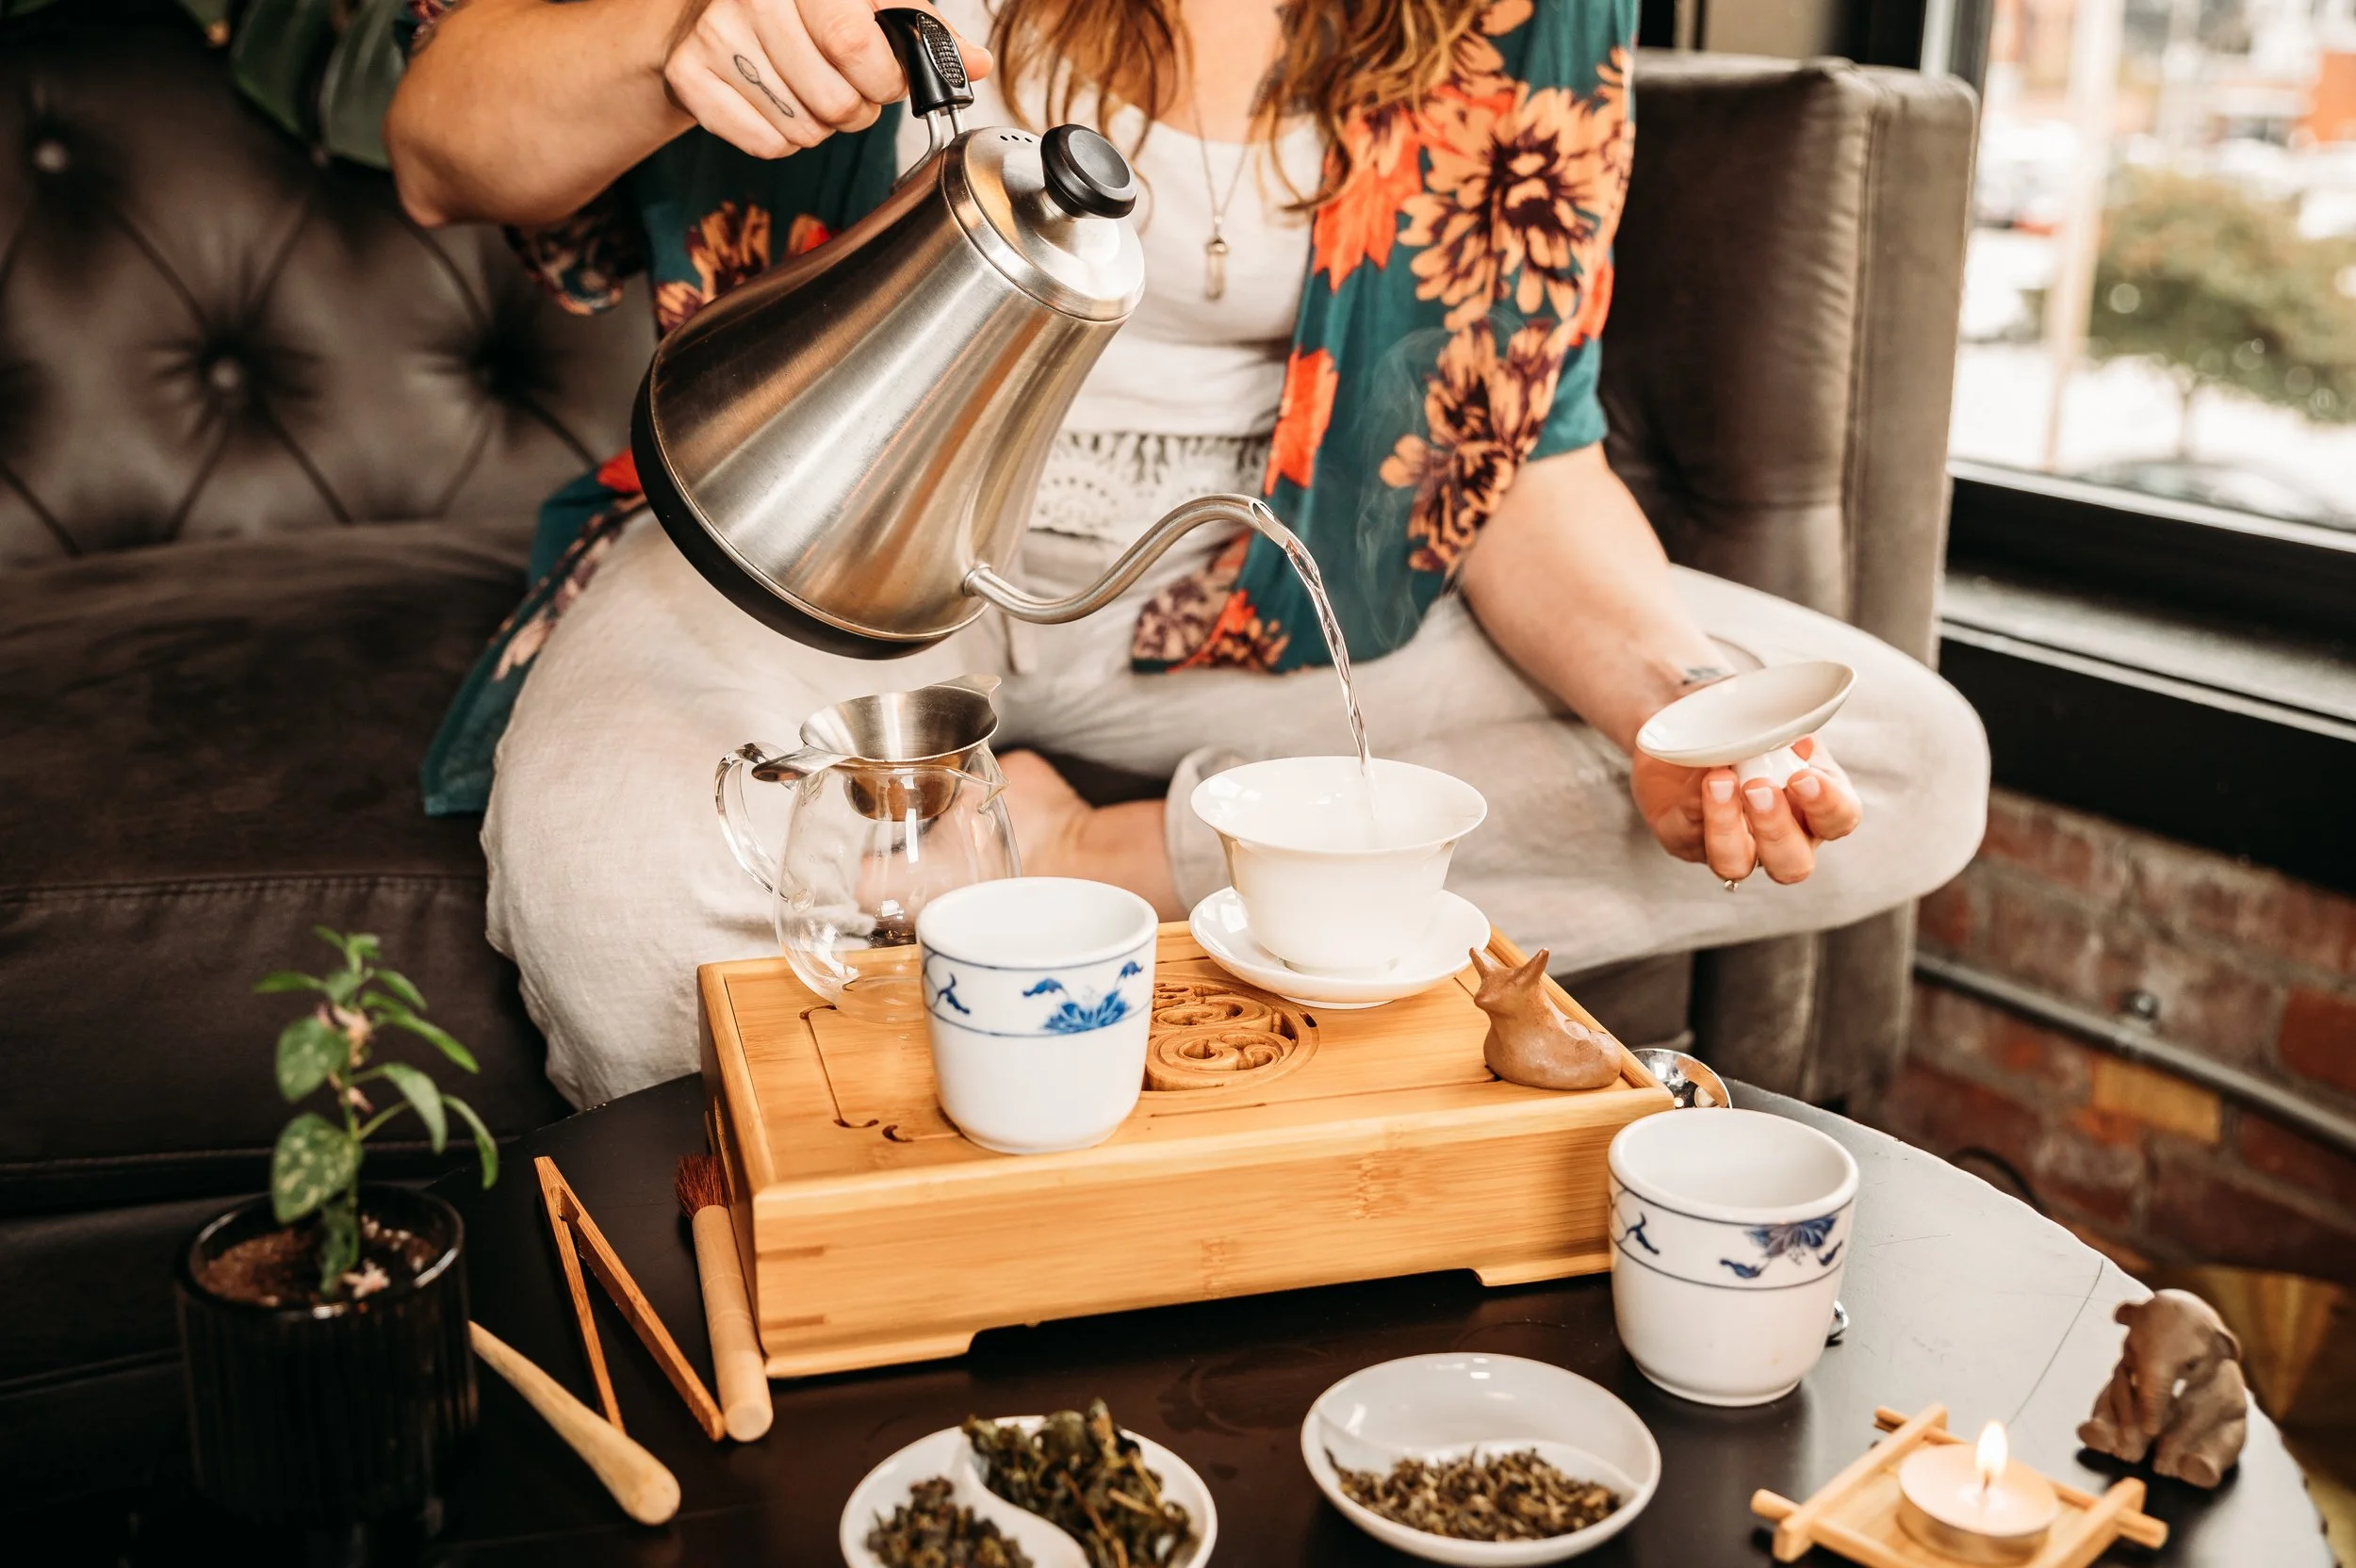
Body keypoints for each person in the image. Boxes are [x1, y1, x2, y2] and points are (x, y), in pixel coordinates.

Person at [386, 0, 1988, 1108]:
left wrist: (1680, 710)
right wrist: (680, 32)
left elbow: (1516, 456)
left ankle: (1127, 864)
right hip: (829, 557)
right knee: (609, 885)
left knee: (1904, 762)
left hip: (1276, 593)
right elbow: (441, 146)